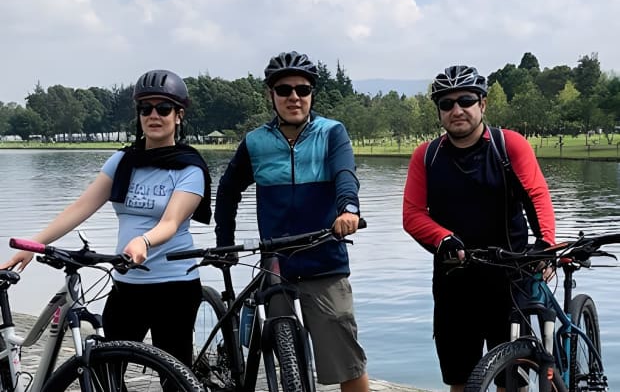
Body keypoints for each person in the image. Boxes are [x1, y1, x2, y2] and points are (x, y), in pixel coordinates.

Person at [1, 69, 211, 368]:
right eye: (146, 108)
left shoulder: (190, 168)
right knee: (106, 371)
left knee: (174, 375)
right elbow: (81, 207)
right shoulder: (123, 161)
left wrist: (143, 241)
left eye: (164, 108)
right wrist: (33, 245)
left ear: (178, 115)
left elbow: (170, 223)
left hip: (174, 285)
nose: (154, 115)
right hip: (126, 282)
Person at [214, 51, 369, 392]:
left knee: (346, 356)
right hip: (276, 261)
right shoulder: (255, 142)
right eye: (284, 90)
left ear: (312, 94)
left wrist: (348, 209)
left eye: (303, 89)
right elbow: (227, 191)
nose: (294, 97)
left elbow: (345, 174)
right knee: (282, 354)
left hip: (324, 257)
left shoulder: (332, 133)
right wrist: (224, 240)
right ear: (271, 95)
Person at [402, 65, 556, 392]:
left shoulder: (509, 145)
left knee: (511, 381)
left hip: (509, 276)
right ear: (439, 111)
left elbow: (537, 196)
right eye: (446, 104)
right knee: (460, 379)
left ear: (482, 104)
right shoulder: (426, 156)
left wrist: (545, 244)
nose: (457, 110)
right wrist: (442, 237)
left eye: (466, 101)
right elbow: (412, 214)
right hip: (455, 278)